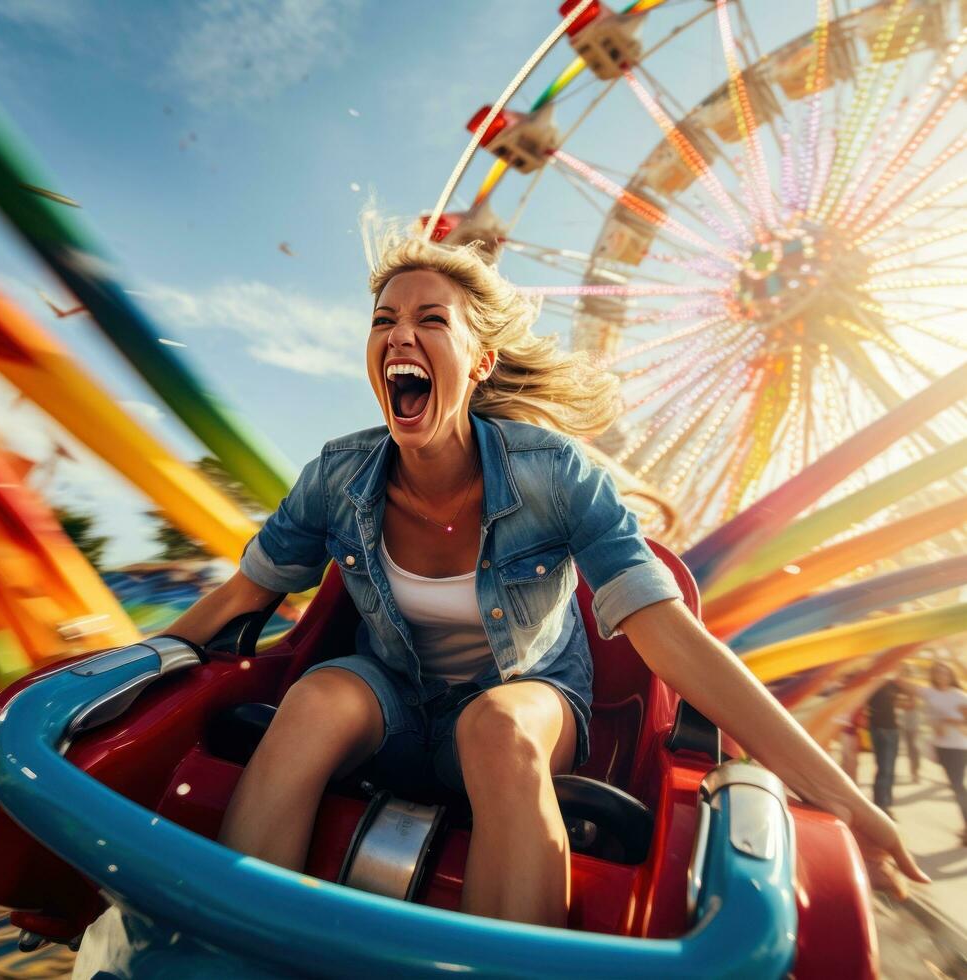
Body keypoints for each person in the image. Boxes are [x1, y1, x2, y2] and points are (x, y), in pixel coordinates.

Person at [165, 235, 927, 926]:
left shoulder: (555, 474)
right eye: (383, 320)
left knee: (497, 731)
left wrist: (842, 799)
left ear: (482, 360)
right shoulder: (337, 476)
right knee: (311, 702)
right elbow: (242, 600)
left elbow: (677, 646)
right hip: (389, 695)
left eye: (432, 319)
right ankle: (226, 947)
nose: (400, 333)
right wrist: (125, 672)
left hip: (526, 695)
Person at [916, 662, 967, 845]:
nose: (941, 676)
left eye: (945, 673)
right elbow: (905, 685)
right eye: (938, 672)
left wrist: (946, 721)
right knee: (955, 785)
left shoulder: (959, 695)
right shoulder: (930, 692)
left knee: (957, 785)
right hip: (940, 746)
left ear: (951, 675)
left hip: (958, 746)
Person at [867, 679, 902, 817]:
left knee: (888, 769)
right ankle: (882, 806)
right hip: (880, 729)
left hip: (892, 729)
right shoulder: (872, 679)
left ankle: (882, 804)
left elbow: (908, 703)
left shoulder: (894, 683)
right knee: (885, 769)